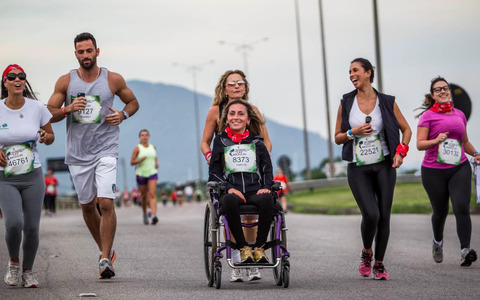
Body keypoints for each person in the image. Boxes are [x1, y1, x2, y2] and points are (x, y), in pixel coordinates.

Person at [47, 32, 139, 279]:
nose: (85, 55)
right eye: (81, 51)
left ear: (97, 52)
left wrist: (122, 115)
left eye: (89, 51)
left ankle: (105, 259)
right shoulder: (66, 82)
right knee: (88, 206)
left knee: (106, 202)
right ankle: (104, 250)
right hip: (78, 154)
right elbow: (50, 113)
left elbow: (133, 103)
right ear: (75, 54)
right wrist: (67, 109)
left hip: (106, 149)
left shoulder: (113, 79)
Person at [334, 58, 412, 280]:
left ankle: (379, 264)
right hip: (358, 167)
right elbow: (338, 137)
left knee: (384, 216)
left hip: (385, 164)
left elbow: (406, 130)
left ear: (368, 73)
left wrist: (401, 152)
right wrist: (353, 132)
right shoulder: (346, 102)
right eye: (349, 71)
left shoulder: (386, 101)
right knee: (371, 213)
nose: (351, 74)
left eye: (355, 70)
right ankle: (367, 251)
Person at [201, 70, 271, 281]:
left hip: (249, 172)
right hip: (226, 172)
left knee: (251, 215)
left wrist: (259, 157)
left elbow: (266, 142)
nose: (236, 86)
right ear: (224, 88)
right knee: (230, 205)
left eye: (240, 82)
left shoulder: (253, 111)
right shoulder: (215, 111)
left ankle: (252, 257)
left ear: (245, 86)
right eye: (231, 83)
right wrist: (213, 157)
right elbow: (205, 142)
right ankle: (235, 257)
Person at [0, 64, 55, 288]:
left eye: (21, 77)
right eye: (11, 77)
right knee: (14, 223)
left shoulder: (37, 108)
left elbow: (50, 135)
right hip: (5, 177)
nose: (17, 80)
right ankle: (13, 263)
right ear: (5, 83)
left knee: (32, 227)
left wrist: (45, 136)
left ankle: (28, 271)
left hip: (33, 175)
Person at [416, 76, 479, 267]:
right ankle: (437, 241)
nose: (443, 92)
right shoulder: (428, 116)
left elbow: (464, 142)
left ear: (449, 92)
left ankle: (465, 250)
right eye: (438, 90)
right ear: (433, 95)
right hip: (433, 171)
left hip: (459, 167)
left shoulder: (459, 114)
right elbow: (420, 144)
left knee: (461, 207)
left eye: (445, 89)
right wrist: (436, 141)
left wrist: (476, 153)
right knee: (440, 212)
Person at [130, 129, 159, 225]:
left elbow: (154, 156)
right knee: (143, 196)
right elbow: (132, 162)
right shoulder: (137, 148)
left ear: (149, 137)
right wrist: (140, 160)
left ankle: (154, 215)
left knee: (152, 194)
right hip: (141, 173)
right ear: (140, 137)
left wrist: (156, 162)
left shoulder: (153, 147)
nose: (144, 137)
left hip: (152, 172)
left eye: (146, 135)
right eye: (142, 135)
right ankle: (145, 213)